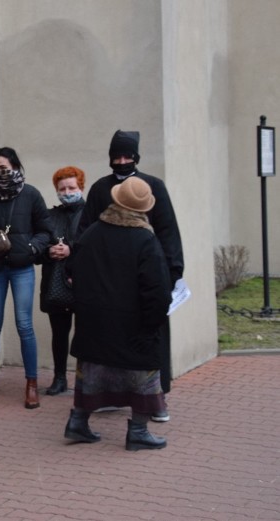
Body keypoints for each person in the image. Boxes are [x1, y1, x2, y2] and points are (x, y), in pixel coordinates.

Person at [77, 130, 183, 421]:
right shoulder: (100, 189)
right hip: (110, 282)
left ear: (136, 157)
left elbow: (168, 232)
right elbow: (85, 232)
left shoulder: (154, 186)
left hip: (148, 278)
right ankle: (111, 395)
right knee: (110, 341)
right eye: (116, 156)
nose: (122, 161)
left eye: (127, 156)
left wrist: (172, 273)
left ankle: (155, 398)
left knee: (150, 338)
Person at [64, 176, 172, 451]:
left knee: (91, 374)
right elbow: (157, 289)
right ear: (143, 209)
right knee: (142, 378)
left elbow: (72, 271)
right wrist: (152, 325)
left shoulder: (92, 233)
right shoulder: (145, 240)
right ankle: (137, 431)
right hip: (133, 325)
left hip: (93, 323)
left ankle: (78, 422)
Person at [0, 147, 52, 409]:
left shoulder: (31, 195)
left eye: (3, 168)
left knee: (24, 326)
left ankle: (31, 383)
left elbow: (46, 230)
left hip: (22, 268)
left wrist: (31, 248)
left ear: (15, 167)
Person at [39, 166, 86, 396]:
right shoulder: (50, 215)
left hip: (84, 284)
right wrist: (49, 251)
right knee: (59, 333)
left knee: (85, 334)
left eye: (72, 187)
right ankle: (59, 378)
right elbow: (38, 246)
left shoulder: (90, 213)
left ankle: (84, 379)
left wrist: (71, 251)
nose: (67, 192)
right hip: (55, 284)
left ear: (81, 187)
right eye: (62, 188)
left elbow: (96, 246)